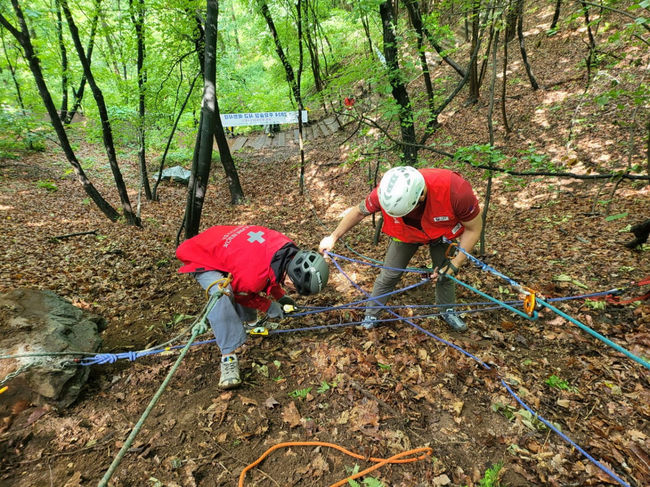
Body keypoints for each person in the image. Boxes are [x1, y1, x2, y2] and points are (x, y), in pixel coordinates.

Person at [319, 166, 482, 332]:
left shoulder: (456, 190)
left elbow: (474, 228)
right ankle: (372, 314)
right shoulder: (385, 192)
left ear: (421, 196)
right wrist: (333, 237)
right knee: (389, 274)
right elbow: (360, 212)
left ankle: (447, 309)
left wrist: (455, 264)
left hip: (442, 231)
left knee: (445, 273)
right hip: (404, 234)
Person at [177, 225, 329, 389]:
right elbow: (243, 293)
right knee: (222, 293)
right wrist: (269, 305)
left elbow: (271, 272)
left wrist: (280, 296)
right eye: (294, 288)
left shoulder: (286, 248)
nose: (293, 290)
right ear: (292, 277)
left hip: (221, 246)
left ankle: (251, 323)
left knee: (244, 281)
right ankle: (228, 356)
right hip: (200, 254)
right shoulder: (253, 275)